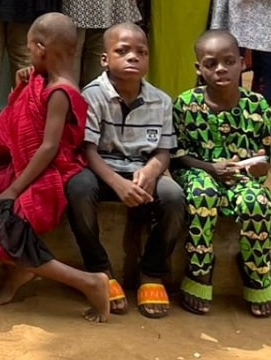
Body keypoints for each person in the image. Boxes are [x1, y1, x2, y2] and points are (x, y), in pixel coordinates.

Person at [0, 13, 114, 321]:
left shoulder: (60, 92)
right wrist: (22, 85)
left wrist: (14, 189)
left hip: (49, 176)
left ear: (41, 48)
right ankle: (20, 271)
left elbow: (50, 147)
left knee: (8, 228)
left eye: (29, 50)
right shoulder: (44, 82)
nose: (29, 56)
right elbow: (22, 115)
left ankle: (89, 282)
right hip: (26, 168)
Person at [68, 23, 185, 320]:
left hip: (141, 171)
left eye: (141, 52)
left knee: (173, 197)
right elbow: (87, 150)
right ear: (105, 59)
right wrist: (117, 184)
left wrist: (152, 170)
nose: (133, 57)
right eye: (122, 51)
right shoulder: (92, 95)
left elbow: (163, 150)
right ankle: (100, 270)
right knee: (77, 188)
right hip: (102, 169)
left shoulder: (161, 100)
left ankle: (152, 273)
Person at [173, 30, 271, 317]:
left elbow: (267, 154)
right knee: (202, 194)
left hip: (242, 178)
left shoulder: (257, 107)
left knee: (257, 203)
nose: (220, 69)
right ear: (199, 69)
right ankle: (200, 269)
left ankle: (256, 270)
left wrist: (260, 166)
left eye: (228, 61)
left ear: (242, 63)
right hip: (199, 172)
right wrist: (210, 168)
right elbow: (178, 155)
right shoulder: (185, 105)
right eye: (211, 63)